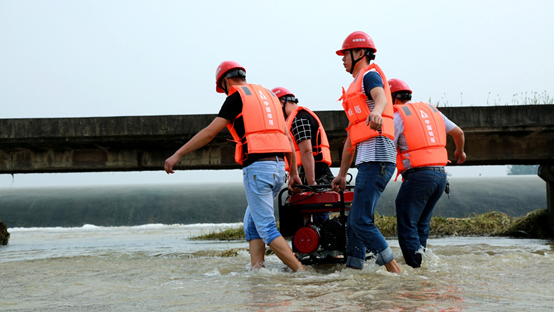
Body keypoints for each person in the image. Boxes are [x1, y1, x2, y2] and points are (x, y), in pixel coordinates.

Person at [164, 61, 304, 272]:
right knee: (252, 223)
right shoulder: (270, 96)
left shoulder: (236, 96)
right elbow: (287, 137)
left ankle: (301, 272)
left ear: (226, 82)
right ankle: (257, 272)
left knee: (266, 228)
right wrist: (292, 171)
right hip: (278, 169)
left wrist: (178, 154)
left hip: (258, 170)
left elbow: (210, 133)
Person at [331, 31, 401, 273]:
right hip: (367, 160)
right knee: (353, 223)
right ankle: (353, 272)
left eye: (345, 54)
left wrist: (378, 112)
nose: (342, 59)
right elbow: (351, 140)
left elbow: (380, 96)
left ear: (360, 53)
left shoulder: (369, 76)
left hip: (378, 158)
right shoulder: (354, 87)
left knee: (361, 220)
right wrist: (341, 174)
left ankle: (395, 271)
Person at [389, 78, 466, 268]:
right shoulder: (433, 112)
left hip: (418, 176)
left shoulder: (398, 116)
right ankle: (421, 265)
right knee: (421, 223)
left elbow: (389, 147)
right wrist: (460, 151)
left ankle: (414, 269)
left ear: (392, 98)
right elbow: (459, 133)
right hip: (440, 176)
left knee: (407, 222)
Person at [272, 86, 334, 224]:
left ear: (282, 103)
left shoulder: (298, 119)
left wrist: (311, 184)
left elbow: (306, 151)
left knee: (316, 223)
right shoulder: (302, 116)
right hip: (316, 175)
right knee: (314, 222)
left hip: (316, 177)